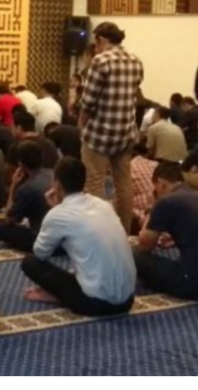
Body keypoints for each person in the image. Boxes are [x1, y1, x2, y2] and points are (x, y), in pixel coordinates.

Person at [22, 157, 136, 316]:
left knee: (29, 262)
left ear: (57, 185)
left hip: (95, 304)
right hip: (128, 300)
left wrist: (54, 212)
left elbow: (40, 253)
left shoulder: (57, 214)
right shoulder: (103, 204)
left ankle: (59, 295)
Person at [79, 21, 144, 234]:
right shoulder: (136, 61)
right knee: (123, 184)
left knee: (94, 183)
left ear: (101, 39)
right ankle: (123, 231)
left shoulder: (100, 61)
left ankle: (98, 232)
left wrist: (81, 125)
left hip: (100, 133)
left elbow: (88, 102)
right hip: (126, 133)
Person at [134, 161, 198, 300]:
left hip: (192, 283)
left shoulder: (166, 202)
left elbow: (145, 245)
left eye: (155, 190)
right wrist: (176, 238)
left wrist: (150, 213)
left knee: (133, 254)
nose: (155, 194)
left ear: (161, 183)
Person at [0, 141, 52, 252]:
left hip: (41, 239)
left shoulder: (26, 188)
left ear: (20, 164)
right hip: (61, 236)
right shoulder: (53, 174)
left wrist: (13, 185)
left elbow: (9, 219)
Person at [130, 153, 157, 234]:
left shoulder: (128, 168)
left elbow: (120, 201)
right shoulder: (155, 164)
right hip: (165, 212)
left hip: (144, 219)